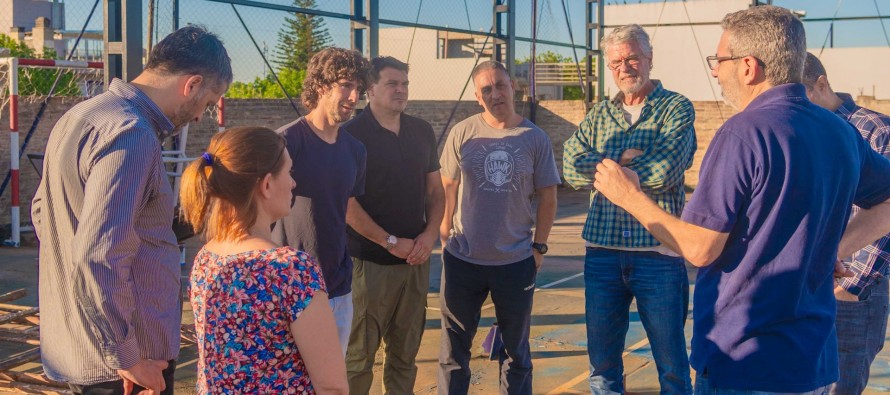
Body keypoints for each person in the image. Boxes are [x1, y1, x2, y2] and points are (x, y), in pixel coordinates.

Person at [592, 5, 890, 394]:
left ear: (749, 67)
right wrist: (831, 246)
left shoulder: (743, 134)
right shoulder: (840, 132)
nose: (715, 71)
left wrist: (629, 195)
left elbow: (700, 248)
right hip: (812, 361)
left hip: (744, 360)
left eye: (720, 61)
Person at [30, 26, 231, 395]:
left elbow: (43, 214)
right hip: (127, 369)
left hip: (81, 348)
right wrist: (127, 356)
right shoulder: (132, 134)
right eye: (207, 102)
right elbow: (99, 255)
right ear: (192, 84)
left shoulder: (81, 116)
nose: (202, 116)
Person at [562, 24, 696, 394]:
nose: (625, 67)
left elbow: (666, 169)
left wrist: (603, 167)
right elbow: (570, 166)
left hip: (657, 254)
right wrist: (622, 159)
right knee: (602, 366)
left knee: (671, 365)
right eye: (617, 61)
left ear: (649, 59)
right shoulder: (599, 114)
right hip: (602, 254)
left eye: (632, 58)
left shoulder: (676, 108)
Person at [180, 126, 348, 394]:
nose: (294, 182)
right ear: (267, 185)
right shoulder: (291, 270)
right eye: (289, 172)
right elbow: (332, 385)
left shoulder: (206, 258)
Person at [438, 60, 560, 395]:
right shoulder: (462, 132)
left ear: (513, 87)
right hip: (463, 261)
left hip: (515, 263)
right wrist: (445, 229)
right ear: (478, 97)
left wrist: (539, 247)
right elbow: (447, 185)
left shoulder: (534, 138)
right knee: (454, 353)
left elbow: (548, 196)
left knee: (516, 353)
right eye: (486, 90)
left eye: (500, 85)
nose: (495, 94)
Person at [342, 56, 445, 394]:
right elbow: (347, 204)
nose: (401, 90)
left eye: (404, 84)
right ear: (369, 89)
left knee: (405, 355)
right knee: (358, 358)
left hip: (415, 261)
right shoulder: (351, 136)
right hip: (367, 265)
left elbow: (435, 190)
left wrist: (429, 236)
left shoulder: (421, 131)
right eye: (392, 84)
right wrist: (388, 241)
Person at [272, 47, 370, 356]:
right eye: (346, 85)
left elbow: (345, 209)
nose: (354, 97)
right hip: (288, 289)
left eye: (359, 88)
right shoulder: (285, 142)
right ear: (320, 85)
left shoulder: (356, 151)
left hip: (337, 289)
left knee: (330, 384)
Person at [802, 52, 890, 395]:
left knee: (843, 385)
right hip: (808, 285)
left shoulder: (876, 129)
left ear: (821, 84)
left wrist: (853, 288)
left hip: (852, 288)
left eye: (801, 94)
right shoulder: (805, 131)